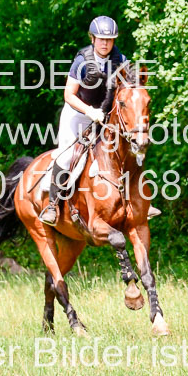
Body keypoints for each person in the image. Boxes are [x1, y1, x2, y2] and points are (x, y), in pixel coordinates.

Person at [39, 16, 125, 226]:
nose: (105, 43)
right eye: (101, 39)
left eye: (110, 40)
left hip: (105, 117)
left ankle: (141, 203)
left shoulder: (121, 60)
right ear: (92, 38)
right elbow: (69, 95)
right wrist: (89, 111)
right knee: (68, 156)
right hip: (77, 114)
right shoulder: (82, 61)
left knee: (128, 150)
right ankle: (52, 205)